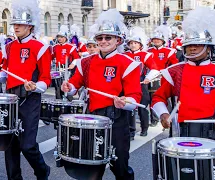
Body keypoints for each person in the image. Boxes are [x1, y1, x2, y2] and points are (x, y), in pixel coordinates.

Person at [151, 7, 215, 179]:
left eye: (197, 44)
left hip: (210, 134)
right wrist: (163, 114)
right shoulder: (175, 71)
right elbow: (158, 97)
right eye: (189, 45)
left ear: (208, 47)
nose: (192, 48)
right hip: (180, 134)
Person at [62, 9, 141, 180]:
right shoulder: (86, 62)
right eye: (100, 38)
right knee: (92, 167)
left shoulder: (128, 64)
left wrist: (126, 101)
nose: (103, 41)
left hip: (117, 121)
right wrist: (69, 87)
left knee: (119, 167)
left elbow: (135, 96)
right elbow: (75, 83)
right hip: (92, 118)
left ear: (118, 40)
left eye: (108, 37)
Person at [0, 0, 51, 179]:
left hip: (30, 98)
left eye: (20, 24)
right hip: (11, 98)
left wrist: (36, 86)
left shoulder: (40, 47)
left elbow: (46, 78)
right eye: (15, 23)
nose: (16, 26)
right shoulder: (8, 46)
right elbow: (6, 72)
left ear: (30, 26)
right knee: (10, 143)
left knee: (28, 145)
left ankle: (42, 170)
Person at [124, 26, 160, 138]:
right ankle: (130, 131)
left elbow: (154, 68)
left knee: (143, 106)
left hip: (141, 82)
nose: (133, 45)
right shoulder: (124, 55)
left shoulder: (145, 55)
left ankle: (144, 128)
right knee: (128, 106)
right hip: (127, 83)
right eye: (131, 43)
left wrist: (148, 78)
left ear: (140, 44)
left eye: (136, 43)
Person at [147, 28, 179, 126]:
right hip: (151, 77)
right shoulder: (148, 51)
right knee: (152, 98)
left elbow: (175, 65)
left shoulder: (169, 51)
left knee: (165, 97)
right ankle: (154, 119)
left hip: (164, 77)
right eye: (154, 39)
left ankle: (168, 115)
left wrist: (166, 73)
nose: (156, 41)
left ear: (163, 41)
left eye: (158, 39)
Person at [52, 25, 80, 99]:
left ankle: (69, 101)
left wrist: (73, 64)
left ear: (65, 38)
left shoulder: (71, 47)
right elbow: (51, 57)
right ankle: (58, 102)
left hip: (67, 68)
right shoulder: (55, 47)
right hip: (58, 68)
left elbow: (77, 58)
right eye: (58, 37)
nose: (59, 39)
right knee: (57, 85)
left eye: (61, 37)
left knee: (67, 86)